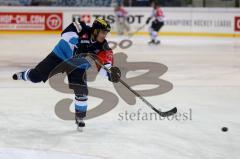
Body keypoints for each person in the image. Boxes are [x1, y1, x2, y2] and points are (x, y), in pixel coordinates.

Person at [12, 18, 121, 129]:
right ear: (95, 30)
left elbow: (104, 67)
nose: (104, 35)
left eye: (106, 33)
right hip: (60, 56)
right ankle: (24, 75)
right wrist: (77, 42)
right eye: (103, 32)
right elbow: (65, 34)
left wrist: (110, 73)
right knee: (36, 77)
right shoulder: (82, 27)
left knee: (82, 92)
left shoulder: (103, 47)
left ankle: (80, 117)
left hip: (78, 66)